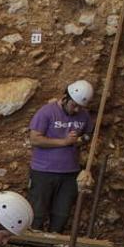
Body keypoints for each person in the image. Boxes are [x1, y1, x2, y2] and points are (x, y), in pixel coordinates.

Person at [27, 80, 95, 233]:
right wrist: (64, 142)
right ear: (66, 98)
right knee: (37, 213)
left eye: (80, 106)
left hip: (70, 174)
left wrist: (80, 140)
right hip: (43, 172)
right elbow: (35, 139)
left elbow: (90, 134)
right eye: (74, 105)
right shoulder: (47, 112)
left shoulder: (83, 115)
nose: (76, 109)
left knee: (61, 215)